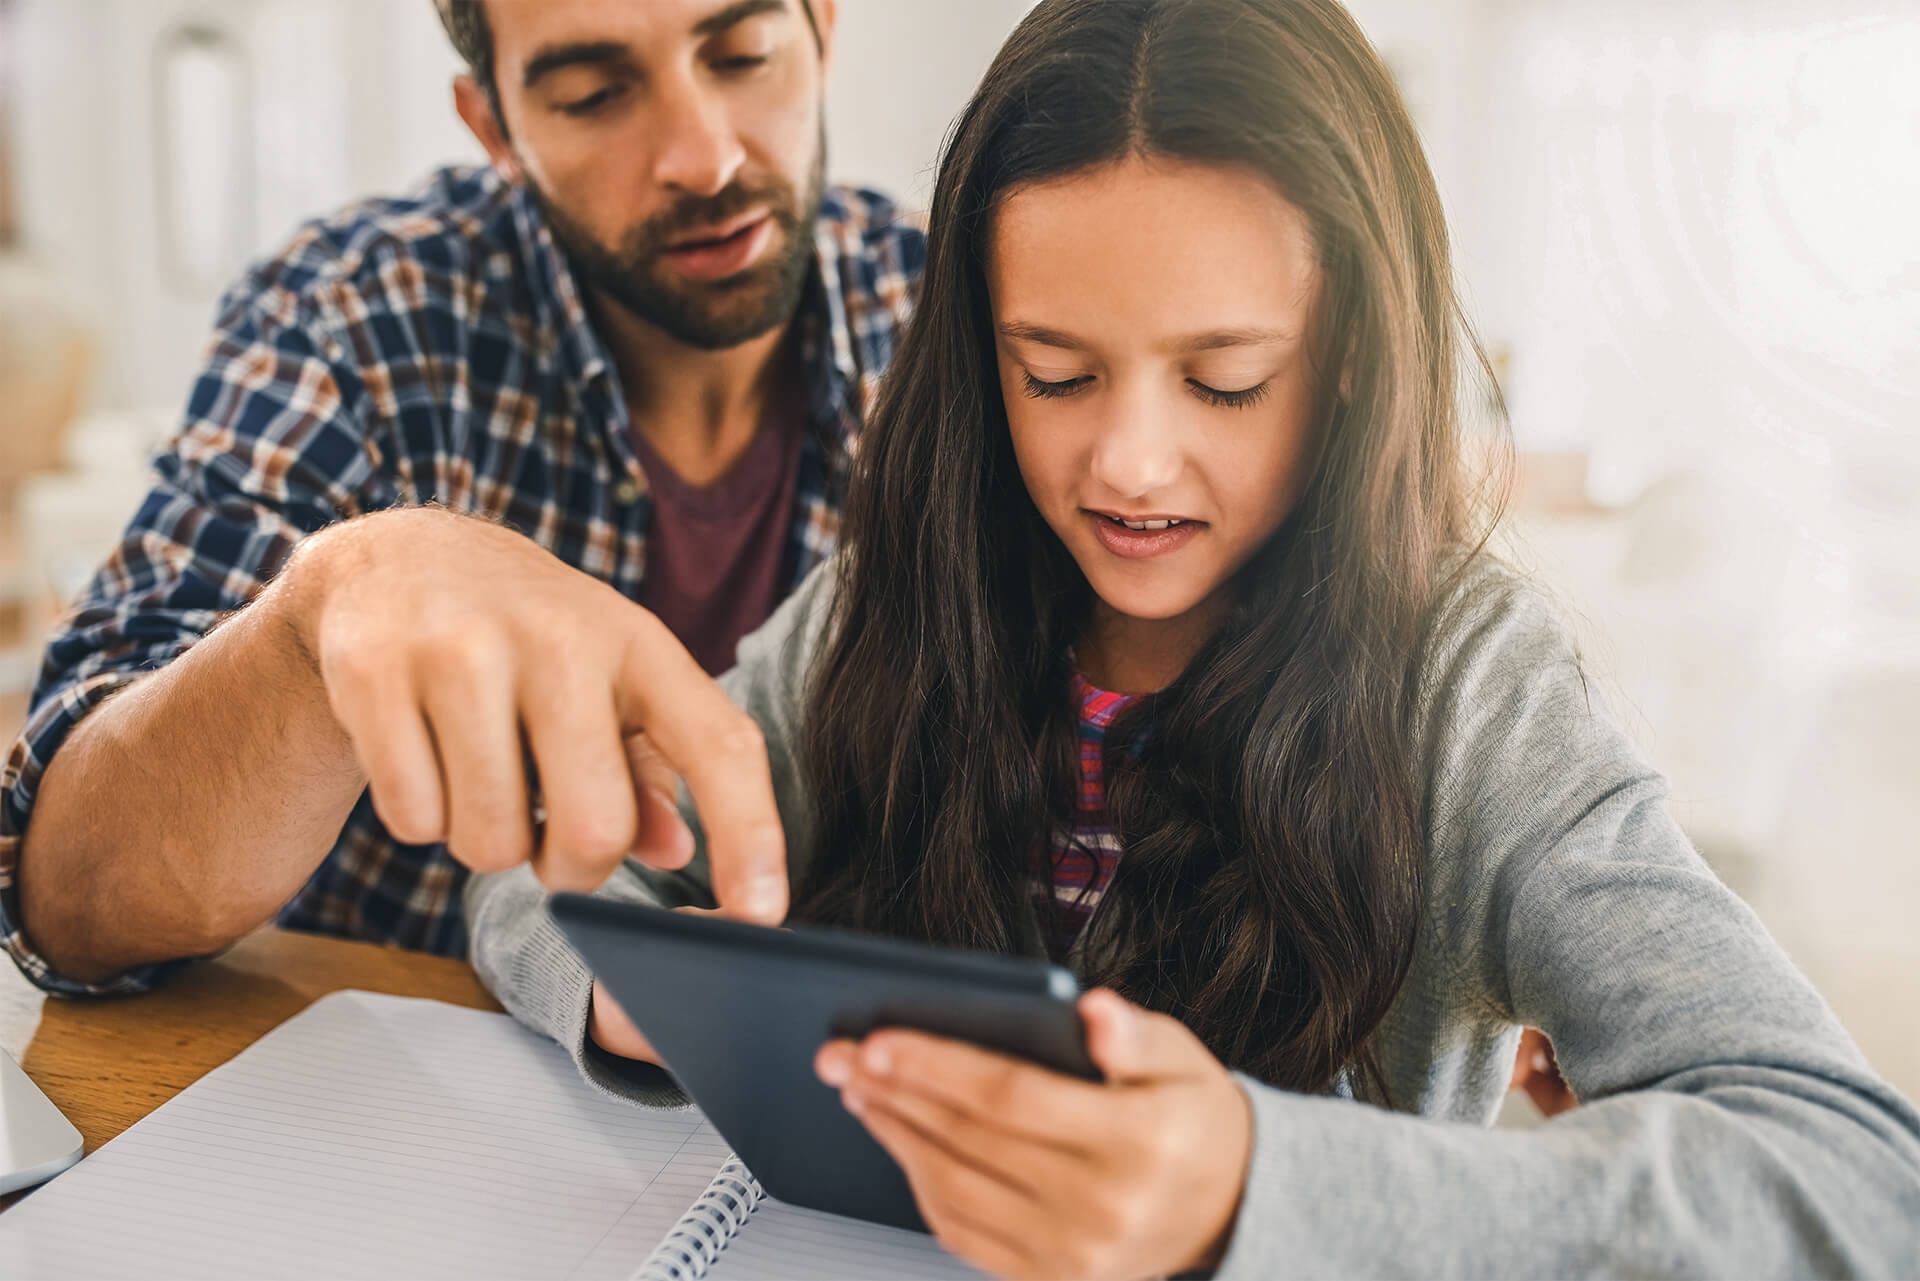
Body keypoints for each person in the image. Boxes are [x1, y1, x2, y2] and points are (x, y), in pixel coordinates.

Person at [469, 0, 1920, 1274]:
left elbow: (1862, 1186)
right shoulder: (889, 602)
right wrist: (634, 996)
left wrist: (1249, 1183)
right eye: (1057, 373)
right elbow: (544, 877)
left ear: (1350, 356)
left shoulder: (1471, 696)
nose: (1130, 467)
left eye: (1224, 381)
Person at [0, 0, 922, 994]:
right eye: (594, 95)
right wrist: (328, 602)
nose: (704, 160)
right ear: (495, 130)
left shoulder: (949, 312)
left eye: (743, 56)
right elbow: (69, 902)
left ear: (822, 30)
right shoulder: (347, 316)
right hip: (393, 1080)